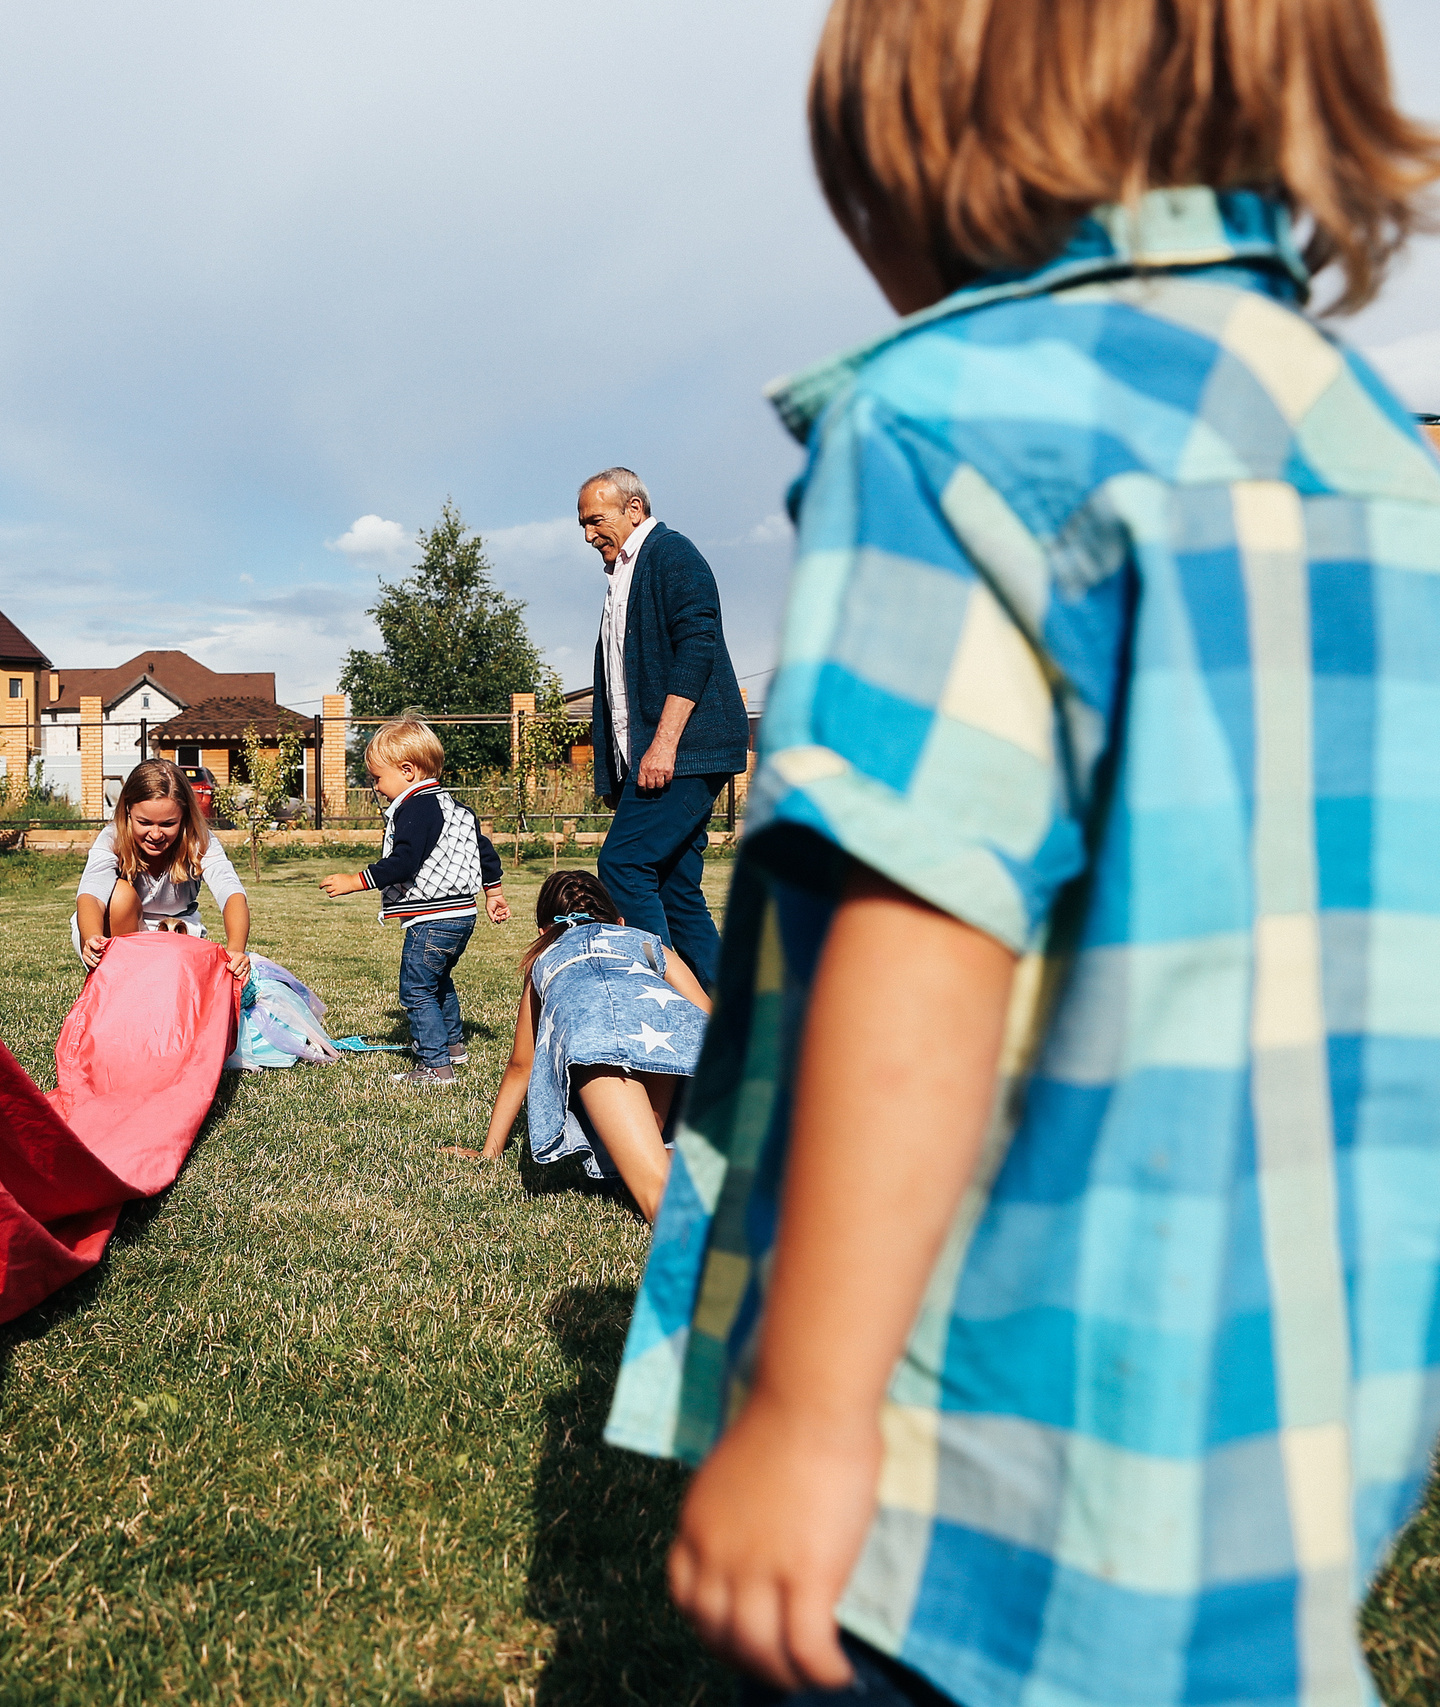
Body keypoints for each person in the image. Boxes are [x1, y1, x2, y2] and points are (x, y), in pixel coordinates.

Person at [602, 4, 1440, 1706]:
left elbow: (920, 923)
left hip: (963, 1484)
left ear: (924, 131)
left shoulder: (954, 426)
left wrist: (813, 1411)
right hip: (1279, 1448)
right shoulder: (1371, 451)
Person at [451, 869, 709, 1221]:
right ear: (619, 921)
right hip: (669, 1036)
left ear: (544, 931)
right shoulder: (646, 942)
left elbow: (521, 1066)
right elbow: (706, 1014)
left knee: (655, 1195)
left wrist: (490, 1150)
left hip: (598, 1040)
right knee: (648, 1155)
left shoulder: (545, 960)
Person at [577, 466, 746, 994]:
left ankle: (662, 1001)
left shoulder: (671, 555)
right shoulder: (621, 575)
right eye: (581, 524)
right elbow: (621, 686)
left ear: (634, 509)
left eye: (596, 520)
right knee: (674, 889)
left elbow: (699, 645)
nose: (588, 535)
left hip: (686, 750)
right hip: (654, 756)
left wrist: (664, 743)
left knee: (623, 864)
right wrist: (617, 772)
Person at [316, 717, 509, 1086]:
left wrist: (355, 881)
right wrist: (494, 893)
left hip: (433, 918)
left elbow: (403, 862)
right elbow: (484, 852)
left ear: (407, 771)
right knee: (438, 981)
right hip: (462, 914)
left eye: (377, 778)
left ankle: (434, 1066)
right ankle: (454, 1046)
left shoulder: (415, 809)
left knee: (417, 989)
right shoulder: (457, 809)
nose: (376, 786)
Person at [74, 757, 250, 983]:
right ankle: (121, 982)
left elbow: (231, 894)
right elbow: (91, 895)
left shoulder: (200, 841)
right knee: (119, 895)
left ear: (184, 816)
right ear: (128, 811)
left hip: (175, 931)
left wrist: (236, 950)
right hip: (116, 934)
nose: (155, 834)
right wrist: (91, 937)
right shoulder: (112, 839)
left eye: (168, 824)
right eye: (145, 822)